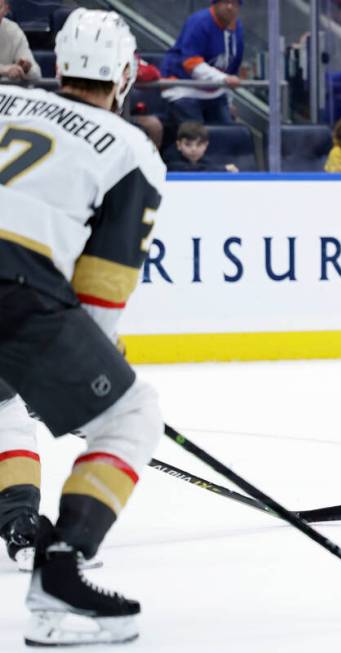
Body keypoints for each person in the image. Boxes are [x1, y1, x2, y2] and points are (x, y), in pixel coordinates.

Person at [0, 8, 166, 646]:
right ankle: (61, 575)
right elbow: (103, 288)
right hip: (18, 298)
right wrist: (81, 372)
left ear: (60, 63)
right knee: (132, 417)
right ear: (124, 76)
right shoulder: (131, 150)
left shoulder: (7, 101)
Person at [160, 0, 244, 125]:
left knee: (228, 134)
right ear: (215, 3)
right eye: (225, 2)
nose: (230, 7)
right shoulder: (199, 22)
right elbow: (191, 64)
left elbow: (232, 70)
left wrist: (229, 101)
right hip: (183, 87)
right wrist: (224, 79)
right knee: (197, 136)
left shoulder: (237, 29)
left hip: (215, 92)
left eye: (235, 3)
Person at [164, 121, 239, 172]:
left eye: (199, 145)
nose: (193, 149)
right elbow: (186, 169)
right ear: (179, 145)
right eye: (188, 144)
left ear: (206, 145)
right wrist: (222, 169)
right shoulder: (171, 160)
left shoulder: (206, 162)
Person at [0, 0, 40, 82]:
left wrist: (26, 70)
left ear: (6, 10)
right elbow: (6, 70)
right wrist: (4, 70)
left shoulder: (13, 31)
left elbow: (36, 74)